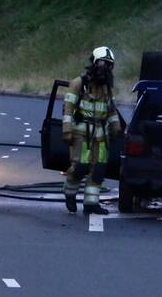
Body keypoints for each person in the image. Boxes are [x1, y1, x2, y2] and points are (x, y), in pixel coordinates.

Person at [62, 46, 121, 215]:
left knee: (99, 169)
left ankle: (91, 203)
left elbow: (111, 110)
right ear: (94, 63)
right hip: (82, 133)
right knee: (80, 167)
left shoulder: (107, 88)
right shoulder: (79, 83)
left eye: (109, 64)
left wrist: (116, 127)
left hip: (102, 136)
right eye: (103, 63)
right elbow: (68, 108)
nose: (105, 67)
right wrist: (67, 130)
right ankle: (70, 193)